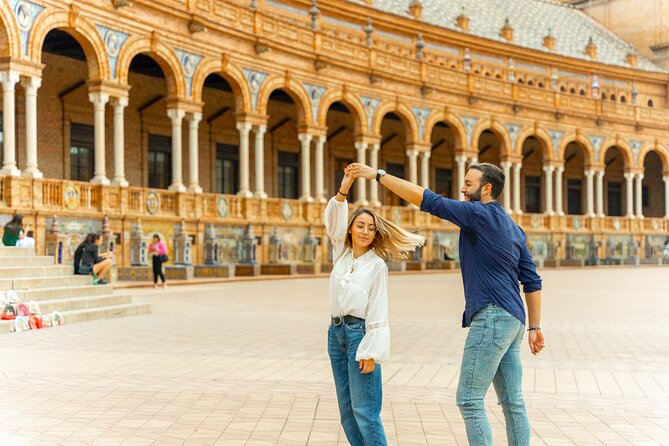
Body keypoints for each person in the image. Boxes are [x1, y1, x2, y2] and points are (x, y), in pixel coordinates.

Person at [347, 162, 545, 446]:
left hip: (491, 317)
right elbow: (532, 280)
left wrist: (378, 176)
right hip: (515, 320)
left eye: (469, 183)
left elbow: (428, 200)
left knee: (469, 399)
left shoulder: (478, 213)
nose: (463, 188)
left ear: (486, 189)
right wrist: (535, 326)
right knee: (513, 401)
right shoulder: (514, 228)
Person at [325, 168, 424, 446]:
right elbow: (333, 223)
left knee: (365, 412)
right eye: (360, 226)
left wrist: (371, 351)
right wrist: (344, 188)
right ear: (350, 229)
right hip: (336, 336)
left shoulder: (376, 265)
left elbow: (378, 311)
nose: (365, 231)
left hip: (360, 337)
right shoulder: (341, 254)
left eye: (371, 227)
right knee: (347, 412)